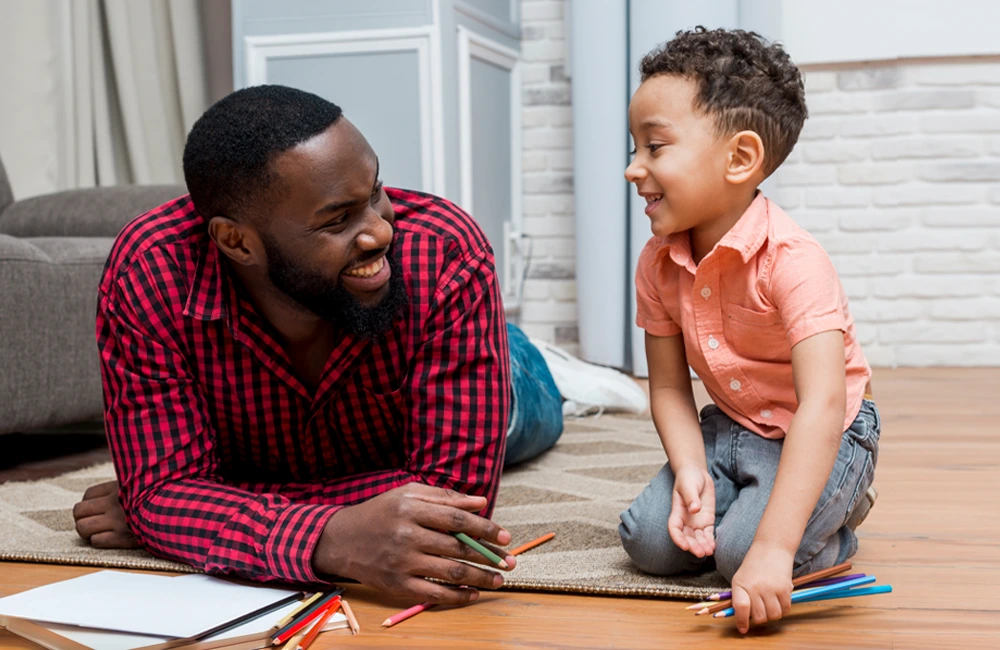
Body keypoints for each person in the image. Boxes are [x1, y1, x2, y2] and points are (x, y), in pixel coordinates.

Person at [71, 85, 563, 605]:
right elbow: (163, 494)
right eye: (336, 220)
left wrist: (191, 510)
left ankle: (547, 364)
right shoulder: (149, 273)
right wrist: (331, 539)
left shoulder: (445, 253)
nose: (379, 232)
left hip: (516, 385)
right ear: (236, 242)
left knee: (527, 406)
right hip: (363, 444)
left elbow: (452, 510)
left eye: (375, 192)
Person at [616, 28, 879, 634]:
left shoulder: (794, 260)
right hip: (733, 425)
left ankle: (837, 520)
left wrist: (775, 552)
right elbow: (669, 390)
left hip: (827, 432)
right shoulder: (656, 263)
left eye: (655, 147)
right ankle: (752, 500)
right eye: (634, 147)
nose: (633, 169)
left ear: (740, 158)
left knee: (743, 556)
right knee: (650, 543)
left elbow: (823, 404)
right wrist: (689, 469)